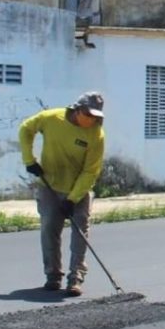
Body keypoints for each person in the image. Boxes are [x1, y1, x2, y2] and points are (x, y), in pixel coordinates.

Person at [19, 92, 106, 296]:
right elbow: (25, 129)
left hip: (79, 189)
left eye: (95, 116)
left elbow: (90, 171)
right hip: (49, 184)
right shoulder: (51, 118)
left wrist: (72, 198)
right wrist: (28, 160)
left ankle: (75, 277)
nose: (91, 119)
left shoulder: (96, 134)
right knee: (49, 228)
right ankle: (53, 275)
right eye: (87, 114)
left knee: (80, 232)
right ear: (77, 109)